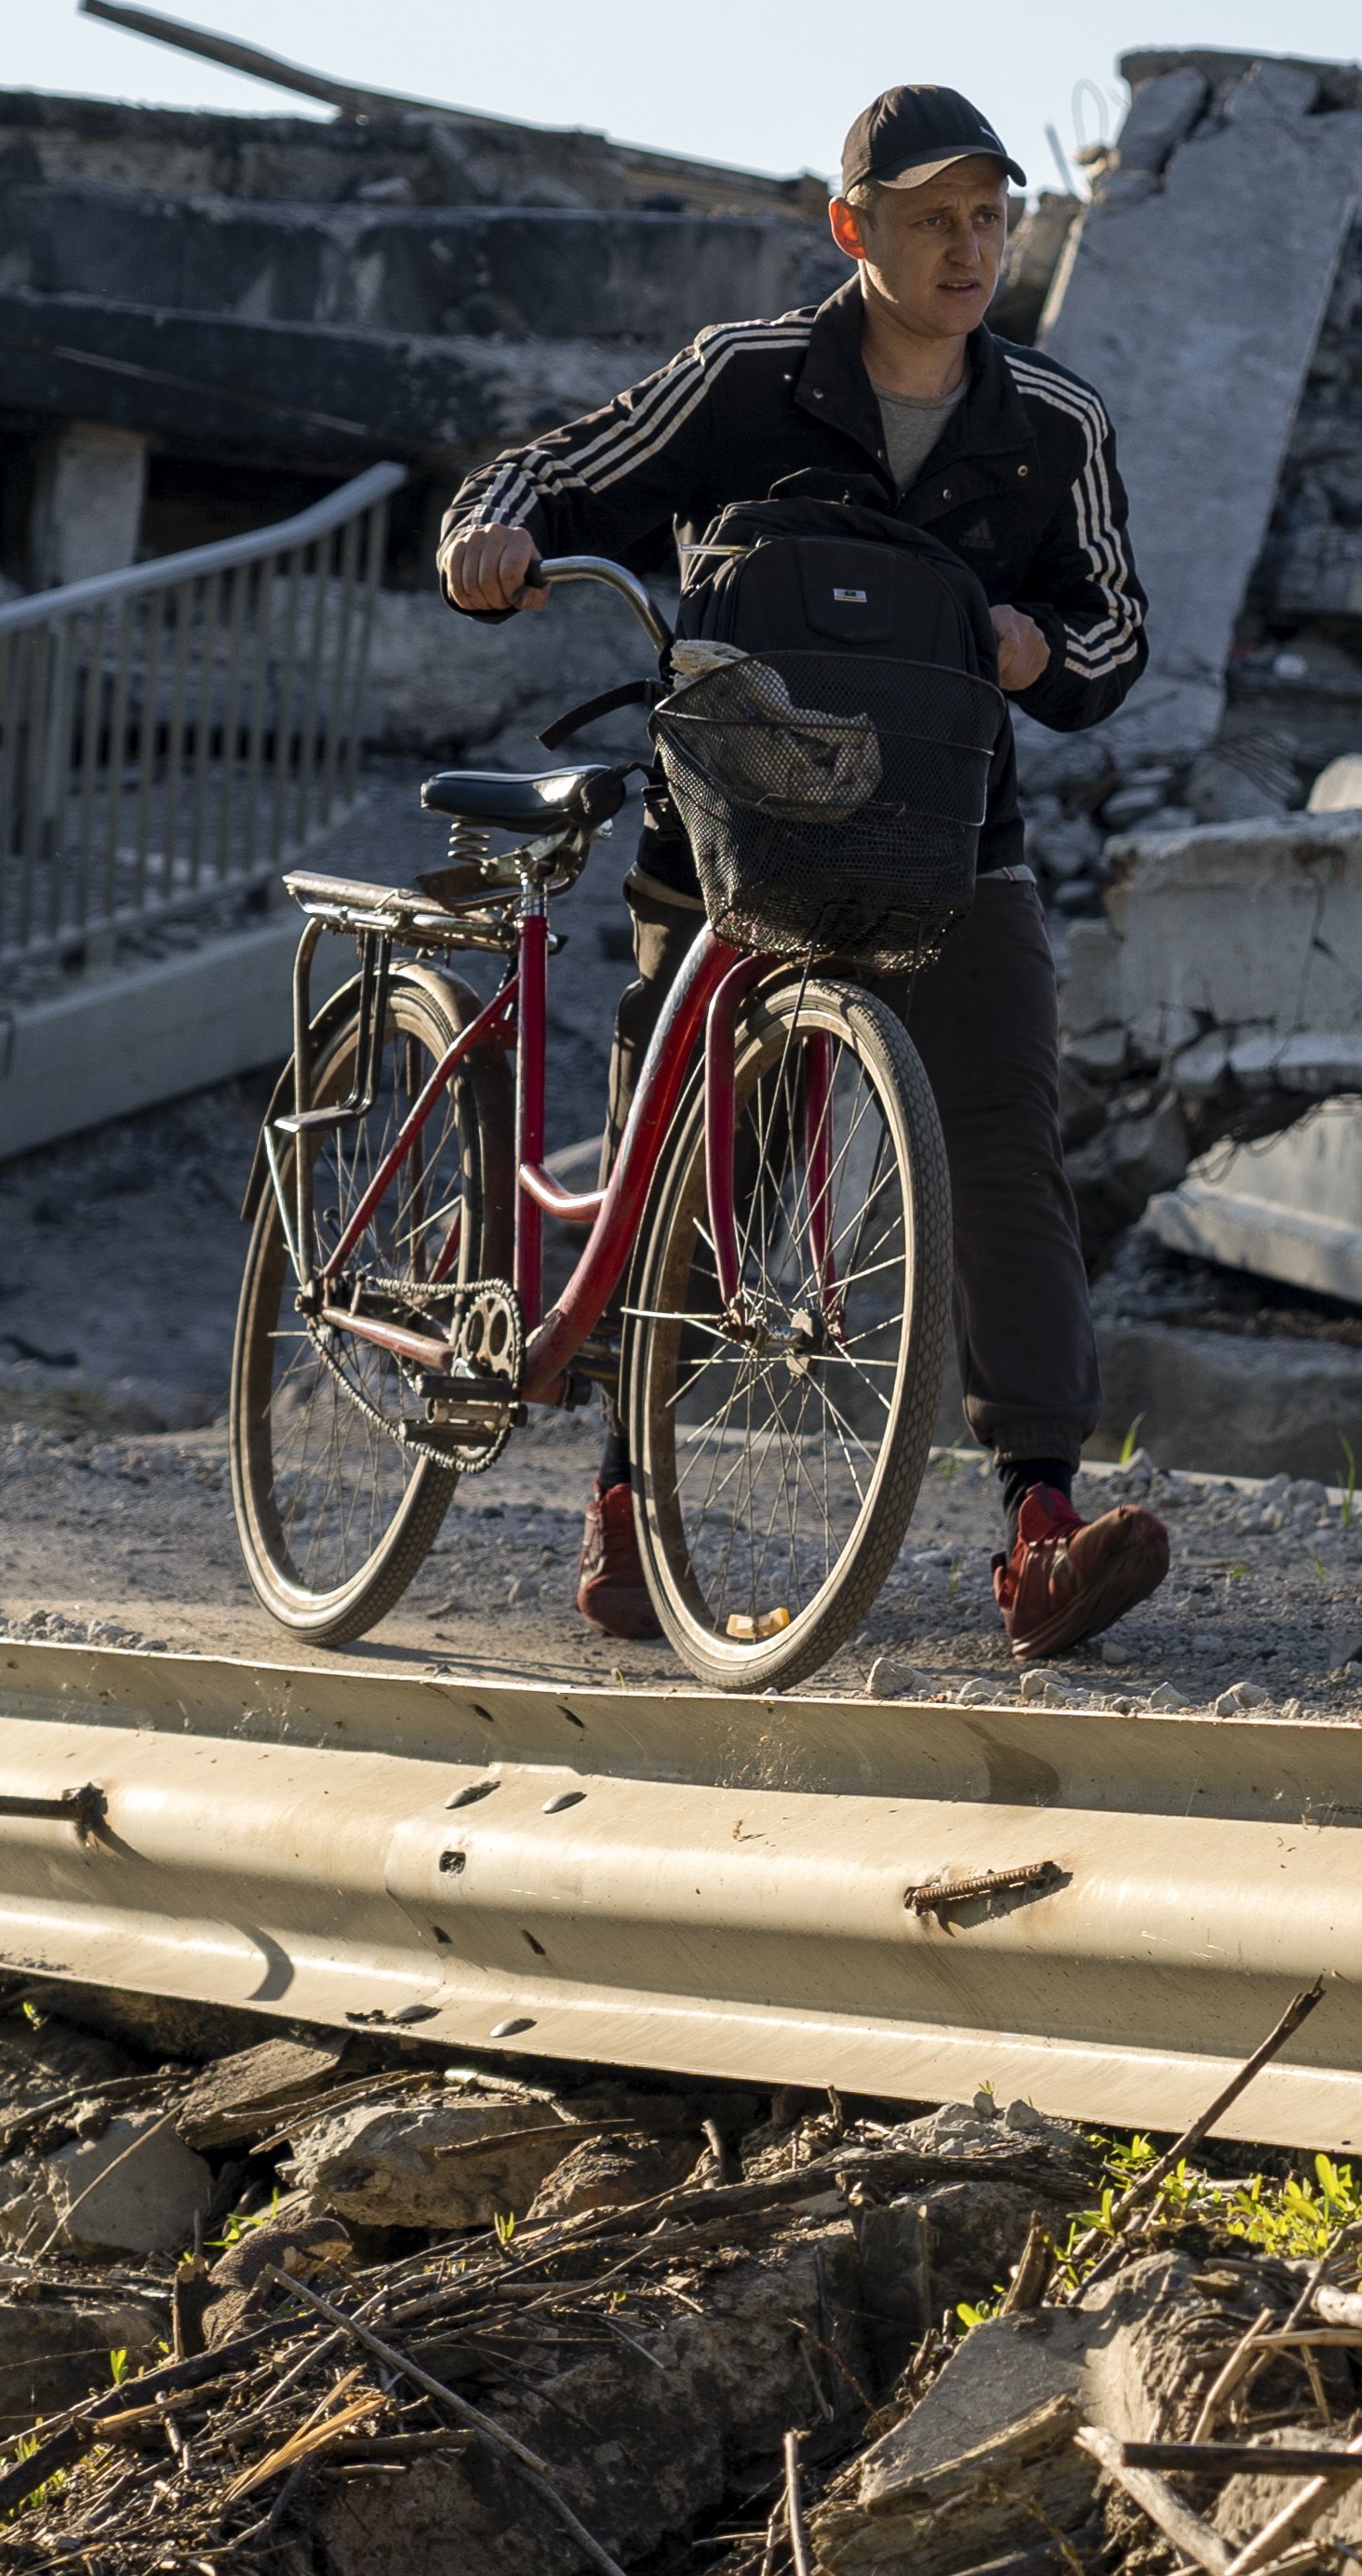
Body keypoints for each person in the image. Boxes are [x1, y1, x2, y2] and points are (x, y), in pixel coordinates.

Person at [437, 85, 1171, 1662]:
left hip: (950, 843)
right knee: (718, 1155)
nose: (970, 246)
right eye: (931, 219)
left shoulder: (1052, 426)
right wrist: (487, 545)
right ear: (856, 231)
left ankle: (1042, 1528)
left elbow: (1117, 630)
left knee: (1003, 1142)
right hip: (733, 845)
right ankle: (631, 1500)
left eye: (988, 215)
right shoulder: (746, 379)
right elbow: (544, 474)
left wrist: (1046, 645)